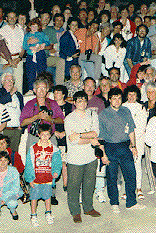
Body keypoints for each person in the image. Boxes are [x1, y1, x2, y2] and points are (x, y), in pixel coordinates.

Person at [98, 87, 147, 212]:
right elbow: (101, 136)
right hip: (110, 147)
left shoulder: (126, 111)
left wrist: (134, 146)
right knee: (112, 176)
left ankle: (131, 202)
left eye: (119, 98)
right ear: (109, 100)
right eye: (114, 98)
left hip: (125, 147)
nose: (117, 101)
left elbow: (131, 130)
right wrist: (103, 153)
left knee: (131, 175)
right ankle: (114, 202)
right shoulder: (103, 114)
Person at [64, 90, 102, 223]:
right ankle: (75, 211)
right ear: (74, 103)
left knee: (89, 183)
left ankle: (88, 207)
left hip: (91, 156)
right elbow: (73, 141)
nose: (82, 103)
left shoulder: (93, 114)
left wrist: (79, 134)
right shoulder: (69, 118)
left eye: (84, 100)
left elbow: (95, 132)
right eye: (79, 101)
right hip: (75, 158)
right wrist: (90, 139)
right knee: (73, 185)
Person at [24, 122, 62, 226]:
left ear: (50, 135)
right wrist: (30, 178)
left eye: (47, 134)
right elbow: (28, 164)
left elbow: (57, 162)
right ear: (38, 134)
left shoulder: (54, 148)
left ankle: (48, 213)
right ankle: (33, 215)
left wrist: (56, 172)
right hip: (36, 178)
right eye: (43, 134)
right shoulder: (33, 148)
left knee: (48, 196)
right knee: (34, 197)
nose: (45, 137)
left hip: (48, 178)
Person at [123, 85, 149, 201]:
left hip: (138, 140)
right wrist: (128, 139)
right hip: (125, 140)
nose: (132, 96)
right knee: (127, 165)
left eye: (134, 94)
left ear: (137, 96)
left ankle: (138, 188)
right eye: (129, 94)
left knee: (137, 164)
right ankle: (128, 189)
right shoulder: (122, 106)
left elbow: (142, 126)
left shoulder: (141, 107)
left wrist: (134, 141)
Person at [0, 72, 24, 153]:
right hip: (3, 130)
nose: (10, 82)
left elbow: (22, 110)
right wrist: (10, 93)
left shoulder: (18, 95)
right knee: (2, 154)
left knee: (14, 154)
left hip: (16, 130)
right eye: (8, 80)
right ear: (2, 82)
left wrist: (21, 127)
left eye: (12, 81)